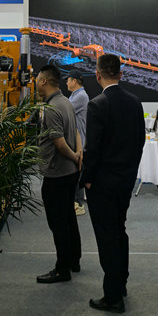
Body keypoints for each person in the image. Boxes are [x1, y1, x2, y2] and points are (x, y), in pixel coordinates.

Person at [80, 53, 145, 313]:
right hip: (125, 180)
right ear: (120, 73)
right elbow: (140, 142)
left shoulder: (97, 104)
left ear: (97, 75)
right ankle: (121, 283)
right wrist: (130, 172)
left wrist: (86, 180)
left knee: (107, 237)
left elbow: (92, 149)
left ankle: (113, 296)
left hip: (102, 183)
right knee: (119, 230)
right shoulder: (135, 102)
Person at [34, 65, 83, 284]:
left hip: (57, 173)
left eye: (37, 78)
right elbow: (76, 132)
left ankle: (62, 269)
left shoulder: (52, 107)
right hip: (70, 172)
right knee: (68, 217)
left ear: (44, 81)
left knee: (58, 222)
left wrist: (73, 156)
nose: (35, 82)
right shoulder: (66, 102)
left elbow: (60, 143)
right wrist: (79, 155)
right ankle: (74, 260)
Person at [67, 69, 90, 214]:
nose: (66, 83)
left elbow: (64, 110)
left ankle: (78, 203)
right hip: (76, 139)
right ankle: (76, 202)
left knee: (76, 172)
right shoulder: (75, 95)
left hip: (79, 140)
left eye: (68, 80)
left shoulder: (80, 96)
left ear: (74, 81)